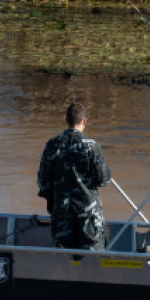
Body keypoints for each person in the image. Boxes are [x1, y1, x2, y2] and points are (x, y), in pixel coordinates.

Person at [37, 102, 111, 250]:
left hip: (61, 215)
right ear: (84, 121)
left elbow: (43, 182)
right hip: (88, 215)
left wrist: (54, 202)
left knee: (63, 262)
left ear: (66, 120)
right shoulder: (91, 146)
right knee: (92, 262)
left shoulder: (52, 145)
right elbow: (104, 180)